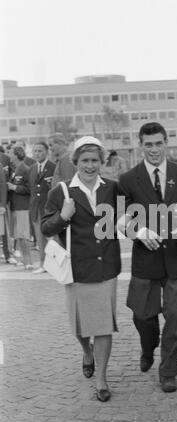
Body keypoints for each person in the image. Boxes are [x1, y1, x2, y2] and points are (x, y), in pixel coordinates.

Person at [41, 136, 121, 402]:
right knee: (79, 326)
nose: (90, 166)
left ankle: (101, 378)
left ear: (102, 162)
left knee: (103, 325)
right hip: (76, 268)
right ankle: (86, 352)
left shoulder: (112, 188)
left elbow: (128, 217)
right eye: (84, 161)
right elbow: (45, 228)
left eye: (95, 161)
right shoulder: (61, 191)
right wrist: (63, 216)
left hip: (105, 266)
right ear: (75, 162)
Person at [118, 122, 177, 393]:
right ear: (141, 145)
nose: (154, 149)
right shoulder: (128, 179)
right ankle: (148, 345)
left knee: (175, 319)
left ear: (166, 143)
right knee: (142, 315)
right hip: (145, 259)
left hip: (176, 260)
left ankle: (168, 371)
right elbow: (121, 218)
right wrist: (138, 230)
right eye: (148, 144)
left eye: (158, 143)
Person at [28, 142, 56, 274]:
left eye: (40, 151)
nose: (37, 153)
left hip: (49, 208)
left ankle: (56, 264)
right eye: (35, 151)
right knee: (40, 238)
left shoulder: (53, 167)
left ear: (46, 152)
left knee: (53, 238)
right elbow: (32, 190)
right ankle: (43, 263)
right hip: (36, 208)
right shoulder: (32, 168)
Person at [7, 147, 33, 269]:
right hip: (15, 206)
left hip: (22, 207)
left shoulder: (25, 169)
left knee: (24, 235)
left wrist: (14, 188)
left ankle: (28, 261)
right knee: (19, 235)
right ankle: (24, 259)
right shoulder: (15, 169)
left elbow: (30, 189)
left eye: (10, 153)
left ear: (16, 155)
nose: (8, 155)